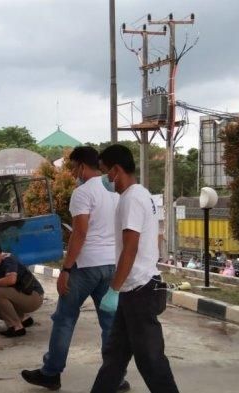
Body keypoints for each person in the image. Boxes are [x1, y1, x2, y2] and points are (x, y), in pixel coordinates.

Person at [21, 146, 128, 391]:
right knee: (110, 324)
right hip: (111, 265)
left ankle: (51, 373)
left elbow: (80, 232)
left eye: (73, 168)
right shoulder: (116, 191)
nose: (73, 173)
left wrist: (66, 269)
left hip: (86, 266)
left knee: (65, 319)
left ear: (81, 166)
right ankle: (115, 377)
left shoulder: (82, 193)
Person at [91, 144, 179, 393]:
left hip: (138, 290)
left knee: (151, 360)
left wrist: (113, 289)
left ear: (116, 170)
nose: (104, 179)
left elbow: (130, 248)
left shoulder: (131, 199)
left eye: (104, 172)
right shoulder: (141, 194)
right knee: (115, 357)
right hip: (134, 289)